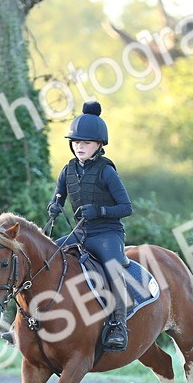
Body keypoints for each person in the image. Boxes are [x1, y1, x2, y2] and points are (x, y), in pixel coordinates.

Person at [47, 100, 134, 352]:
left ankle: (118, 324)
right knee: (45, 258)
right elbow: (58, 196)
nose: (79, 146)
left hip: (107, 234)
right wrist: (54, 206)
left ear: (99, 145)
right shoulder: (67, 170)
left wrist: (100, 211)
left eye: (85, 142)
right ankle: (29, 322)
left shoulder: (107, 172)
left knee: (113, 269)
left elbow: (126, 207)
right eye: (76, 142)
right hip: (81, 234)